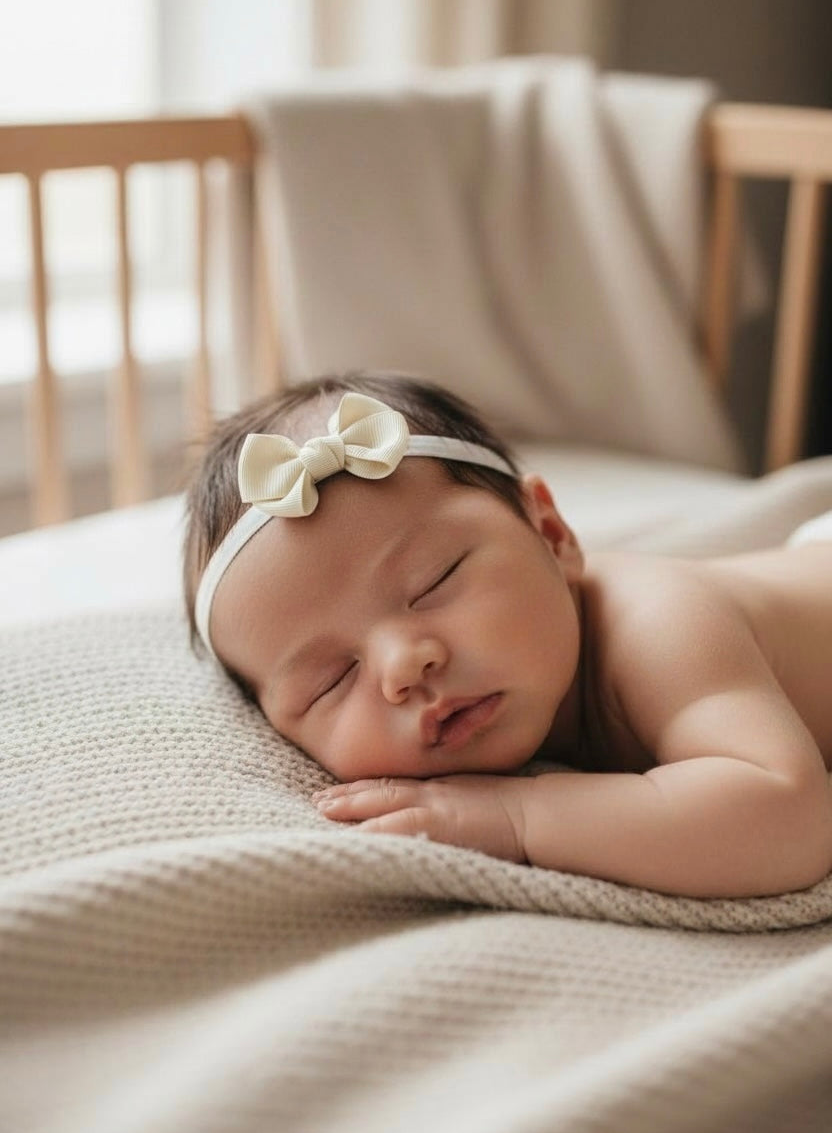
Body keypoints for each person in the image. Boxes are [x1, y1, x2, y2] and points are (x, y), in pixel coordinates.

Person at [183, 371, 832, 899]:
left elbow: (790, 814)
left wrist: (520, 818)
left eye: (435, 581)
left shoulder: (662, 625)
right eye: (332, 680)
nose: (403, 666)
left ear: (551, 534)